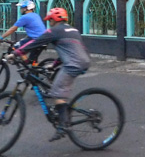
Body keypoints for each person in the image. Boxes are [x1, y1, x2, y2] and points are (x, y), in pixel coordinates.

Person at [8, 7, 91, 141]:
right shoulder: (73, 30)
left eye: (50, 20)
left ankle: (63, 126)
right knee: (58, 90)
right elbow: (69, 50)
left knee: (57, 91)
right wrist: (54, 65)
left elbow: (35, 43)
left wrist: (15, 53)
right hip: (84, 61)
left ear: (55, 19)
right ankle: (62, 112)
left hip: (73, 64)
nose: (49, 23)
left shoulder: (54, 31)